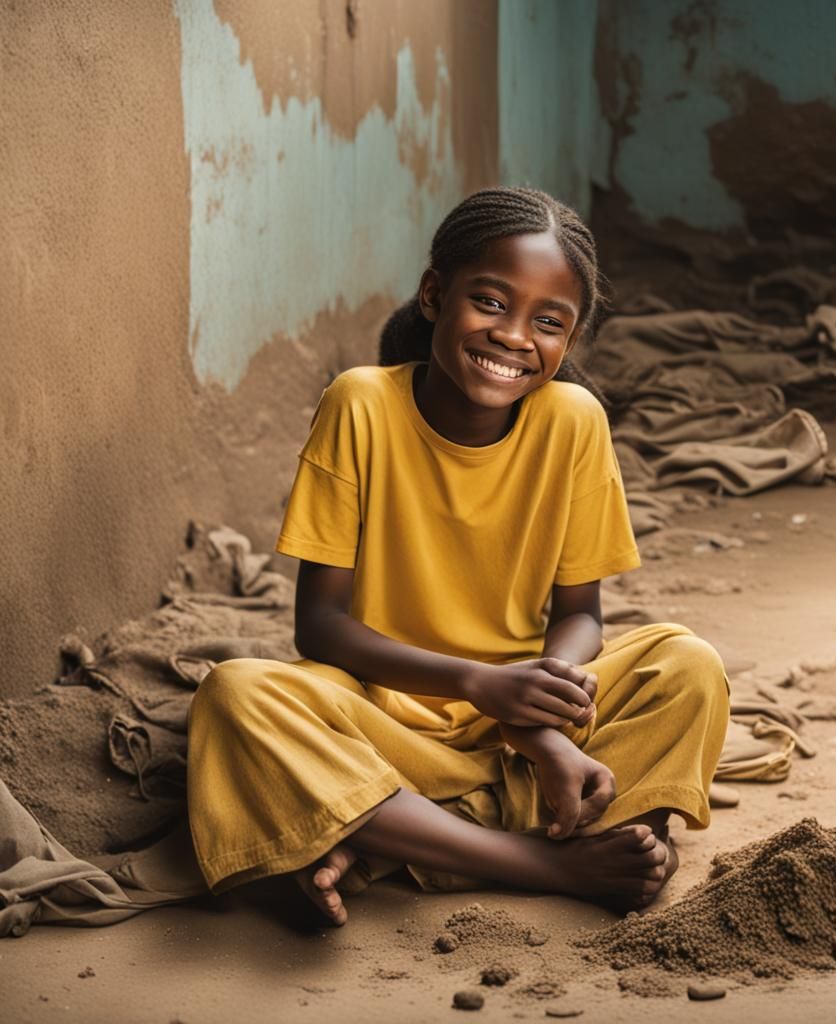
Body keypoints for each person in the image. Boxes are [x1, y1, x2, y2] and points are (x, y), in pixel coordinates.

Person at [186, 186, 731, 927]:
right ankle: (547, 859)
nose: (513, 336)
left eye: (548, 321)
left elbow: (581, 616)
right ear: (436, 294)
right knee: (237, 695)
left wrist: (539, 716)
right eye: (492, 302)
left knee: (688, 663)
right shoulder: (361, 404)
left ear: (568, 341)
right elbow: (318, 627)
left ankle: (386, 834)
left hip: (524, 721)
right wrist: (478, 683)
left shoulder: (574, 422)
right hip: (382, 712)